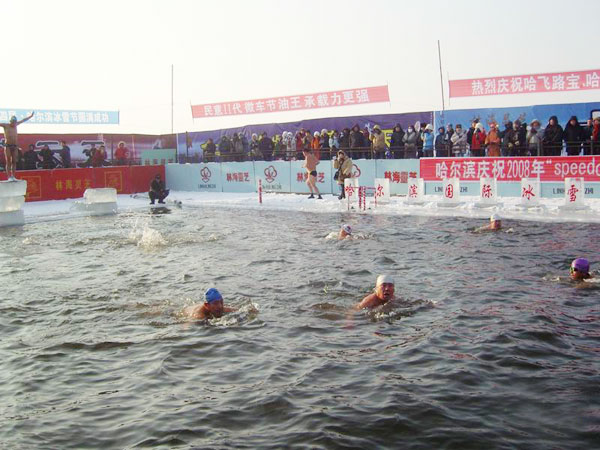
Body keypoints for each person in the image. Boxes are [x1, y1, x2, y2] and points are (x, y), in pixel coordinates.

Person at [0, 111, 34, 180]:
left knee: (14, 161)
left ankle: (13, 176)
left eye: (15, 122)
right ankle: (9, 176)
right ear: (10, 121)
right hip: (8, 146)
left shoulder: (16, 124)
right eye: (13, 122)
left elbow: (23, 120)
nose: (14, 123)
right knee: (8, 161)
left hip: (15, 146)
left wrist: (30, 116)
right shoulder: (5, 125)